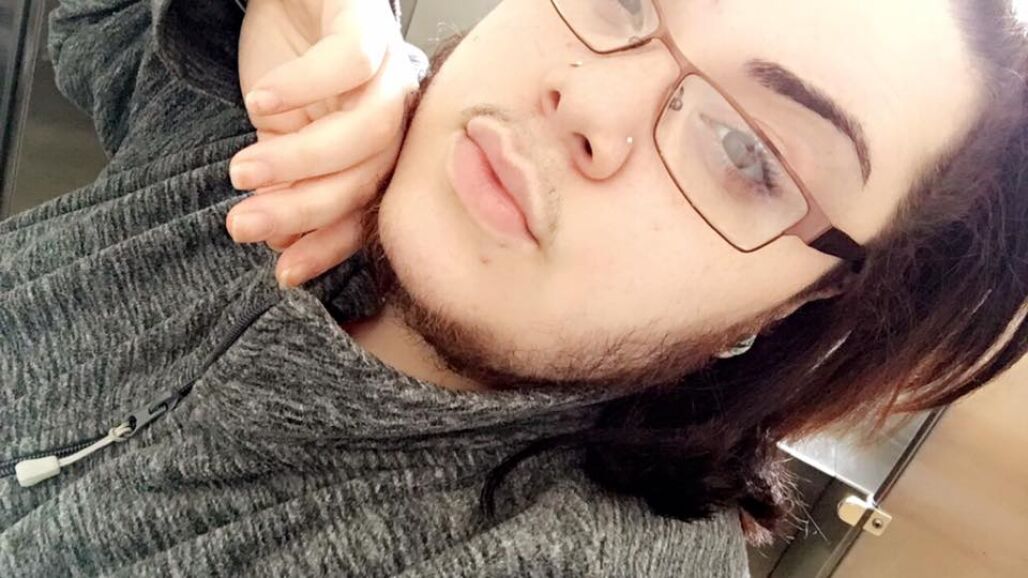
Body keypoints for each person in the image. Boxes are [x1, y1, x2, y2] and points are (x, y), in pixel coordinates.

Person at [0, 0, 1025, 576]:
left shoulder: (568, 556)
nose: (587, 99)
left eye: (747, 154)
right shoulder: (284, 148)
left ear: (795, 304)